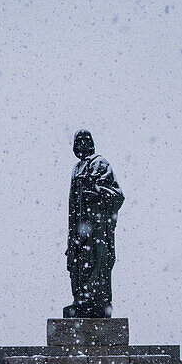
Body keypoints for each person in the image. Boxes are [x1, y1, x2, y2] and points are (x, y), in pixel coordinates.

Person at [65, 129, 124, 318]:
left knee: (96, 262)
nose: (82, 143)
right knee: (79, 262)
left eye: (85, 140)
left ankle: (96, 301)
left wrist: (97, 194)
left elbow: (117, 195)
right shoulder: (76, 168)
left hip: (97, 226)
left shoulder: (100, 162)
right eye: (78, 140)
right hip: (79, 225)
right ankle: (81, 299)